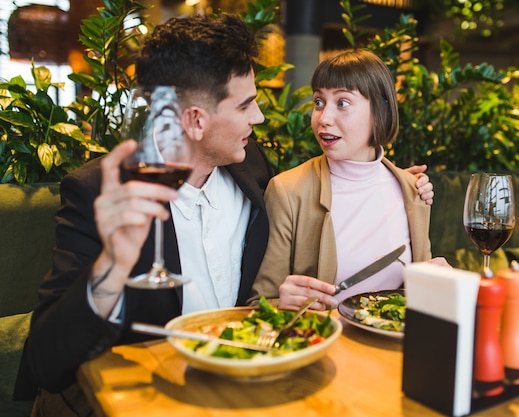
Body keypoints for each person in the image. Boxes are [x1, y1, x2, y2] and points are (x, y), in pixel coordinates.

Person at [13, 15, 434, 417]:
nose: (260, 117)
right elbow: (47, 361)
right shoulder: (102, 193)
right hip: (134, 398)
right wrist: (113, 266)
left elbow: (323, 189)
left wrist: (392, 180)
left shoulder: (249, 168)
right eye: (247, 105)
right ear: (196, 120)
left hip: (241, 391)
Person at [248, 49, 449, 311]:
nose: (323, 118)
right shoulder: (288, 191)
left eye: (342, 103)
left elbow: (422, 296)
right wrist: (281, 304)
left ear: (380, 110)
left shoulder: (413, 189)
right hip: (327, 345)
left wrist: (445, 284)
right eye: (319, 102)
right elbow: (259, 303)